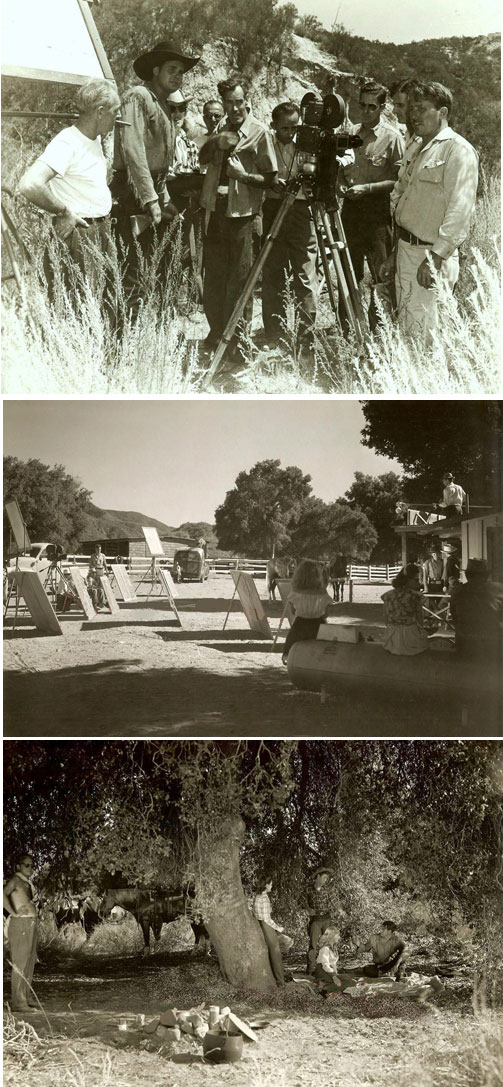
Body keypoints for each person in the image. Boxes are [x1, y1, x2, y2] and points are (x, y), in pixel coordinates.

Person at [112, 39, 200, 314]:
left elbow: (161, 163)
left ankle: (146, 333)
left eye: (181, 71)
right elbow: (133, 150)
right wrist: (150, 199)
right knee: (132, 272)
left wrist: (162, 199)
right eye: (172, 69)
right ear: (155, 70)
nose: (178, 75)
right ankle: (121, 343)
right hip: (131, 193)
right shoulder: (138, 96)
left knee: (153, 266)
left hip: (151, 192)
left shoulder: (162, 104)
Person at [18, 79, 122, 306]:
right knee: (77, 306)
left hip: (98, 231)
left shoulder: (93, 139)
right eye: (116, 111)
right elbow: (30, 184)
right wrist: (63, 211)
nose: (118, 116)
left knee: (99, 305)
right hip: (80, 234)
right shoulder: (68, 141)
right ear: (100, 112)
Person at [390, 81, 478, 340]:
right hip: (406, 250)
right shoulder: (418, 147)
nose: (414, 115)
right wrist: (394, 251)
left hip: (429, 255)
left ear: (442, 113)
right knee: (407, 325)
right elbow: (403, 196)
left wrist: (436, 258)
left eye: (422, 109)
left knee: (426, 333)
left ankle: (425, 378)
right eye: (412, 108)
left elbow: (460, 210)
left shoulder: (458, 150)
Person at [199, 76, 277, 358]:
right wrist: (216, 142)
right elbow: (202, 158)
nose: (234, 108)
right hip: (215, 213)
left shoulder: (259, 132)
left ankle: (239, 344)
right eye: (229, 103)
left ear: (247, 100)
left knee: (240, 283)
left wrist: (242, 176)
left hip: (242, 217)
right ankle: (218, 333)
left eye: (239, 102)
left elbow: (271, 180)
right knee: (214, 282)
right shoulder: (220, 127)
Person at [338, 81, 405, 332]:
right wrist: (339, 184)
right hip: (351, 212)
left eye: (372, 107)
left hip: (376, 215)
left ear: (382, 108)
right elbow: (340, 166)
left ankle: (379, 331)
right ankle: (348, 330)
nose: (366, 112)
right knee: (348, 273)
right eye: (362, 106)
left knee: (380, 276)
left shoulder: (392, 138)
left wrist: (367, 189)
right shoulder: (351, 133)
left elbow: (399, 180)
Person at [261, 102, 318, 347]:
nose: (290, 133)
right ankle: (275, 334)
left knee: (304, 273)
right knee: (273, 272)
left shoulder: (305, 143)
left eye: (295, 127)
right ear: (274, 126)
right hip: (274, 208)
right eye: (285, 128)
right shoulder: (266, 144)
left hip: (301, 210)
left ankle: (306, 335)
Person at [3, 854, 39, 1012]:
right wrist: (13, 912)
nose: (30, 868)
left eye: (32, 865)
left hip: (31, 923)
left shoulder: (27, 882)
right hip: (20, 924)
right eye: (26, 865)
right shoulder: (15, 880)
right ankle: (18, 1002)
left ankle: (26, 997)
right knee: (20, 963)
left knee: (30, 962)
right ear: (18, 866)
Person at [450, 558, 503, 662]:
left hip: (466, 640)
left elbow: (454, 615)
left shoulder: (458, 591)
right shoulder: (492, 591)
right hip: (487, 643)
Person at [281, 559, 332, 665]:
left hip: (301, 625)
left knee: (291, 638)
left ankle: (286, 656)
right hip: (318, 626)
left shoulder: (295, 592)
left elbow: (293, 611)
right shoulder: (323, 593)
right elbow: (326, 614)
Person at [253, 875, 293, 986]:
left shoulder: (258, 896)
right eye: (270, 884)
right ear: (266, 885)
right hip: (266, 926)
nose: (271, 886)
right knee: (276, 954)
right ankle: (281, 981)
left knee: (273, 952)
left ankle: (278, 978)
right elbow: (267, 919)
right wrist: (279, 928)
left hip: (261, 925)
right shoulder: (264, 898)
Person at [381, 563, 429, 655]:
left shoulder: (388, 595)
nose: (418, 583)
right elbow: (420, 620)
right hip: (410, 639)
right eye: (416, 580)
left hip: (391, 640)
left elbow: (386, 619)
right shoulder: (415, 596)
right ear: (407, 580)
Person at [306, 867, 344, 976]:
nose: (325, 880)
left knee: (329, 942)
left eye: (327, 878)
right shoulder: (308, 889)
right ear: (317, 877)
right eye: (323, 878)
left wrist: (340, 910)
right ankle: (310, 970)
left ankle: (331, 968)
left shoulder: (327, 889)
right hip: (315, 920)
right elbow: (302, 901)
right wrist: (308, 909)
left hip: (326, 919)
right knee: (313, 945)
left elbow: (334, 901)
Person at [87, 545, 108, 610]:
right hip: (94, 572)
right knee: (95, 587)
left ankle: (102, 602)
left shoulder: (103, 555)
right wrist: (92, 571)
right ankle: (95, 603)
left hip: (101, 571)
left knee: (101, 587)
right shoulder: (92, 556)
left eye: (100, 549)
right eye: (98, 549)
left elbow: (105, 563)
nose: (99, 551)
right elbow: (90, 565)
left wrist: (107, 570)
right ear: (95, 549)